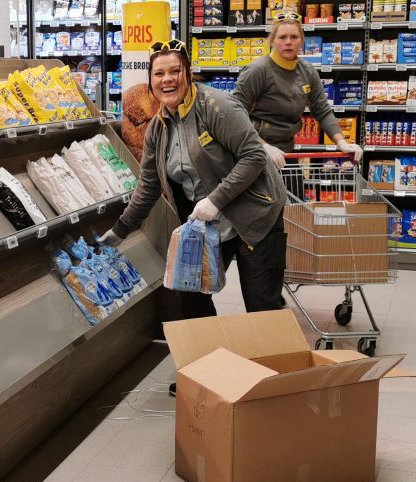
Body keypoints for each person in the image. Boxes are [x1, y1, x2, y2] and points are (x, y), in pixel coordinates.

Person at [100, 40, 287, 318]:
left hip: (256, 216)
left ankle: (268, 346)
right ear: (151, 81)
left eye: (174, 71)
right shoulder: (158, 128)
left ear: (188, 74)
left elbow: (254, 157)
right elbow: (149, 185)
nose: (167, 79)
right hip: (210, 224)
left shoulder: (217, 106)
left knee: (261, 306)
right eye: (159, 73)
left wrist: (215, 200)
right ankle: (208, 346)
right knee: (191, 297)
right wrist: (121, 229)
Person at [233, 13, 363, 170]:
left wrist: (342, 143)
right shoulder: (257, 70)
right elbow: (234, 115)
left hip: (286, 150)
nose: (288, 42)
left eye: (294, 37)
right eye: (282, 37)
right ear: (272, 40)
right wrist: (263, 146)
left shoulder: (307, 71)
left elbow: (322, 110)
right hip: (252, 151)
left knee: (294, 187)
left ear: (302, 40)